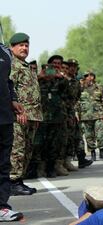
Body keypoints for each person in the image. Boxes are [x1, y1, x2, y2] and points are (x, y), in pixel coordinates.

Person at [9, 32, 42, 195]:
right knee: (18, 149)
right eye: (20, 45)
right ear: (12, 47)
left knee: (27, 149)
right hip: (19, 115)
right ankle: (13, 182)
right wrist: (16, 110)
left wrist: (35, 115)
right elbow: (10, 89)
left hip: (31, 115)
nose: (24, 48)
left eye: (26, 45)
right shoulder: (12, 65)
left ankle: (19, 179)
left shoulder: (26, 66)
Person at [0, 35, 24, 221]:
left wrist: (14, 99)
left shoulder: (5, 53)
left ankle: (1, 206)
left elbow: (8, 81)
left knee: (3, 165)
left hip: (4, 118)